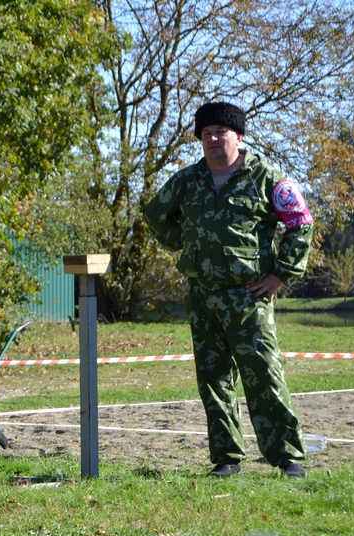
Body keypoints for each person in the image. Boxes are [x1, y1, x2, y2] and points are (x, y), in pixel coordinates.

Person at [143, 102, 314, 478]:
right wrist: (183, 242)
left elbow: (300, 223)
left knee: (265, 375)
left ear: (238, 135)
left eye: (221, 131)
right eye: (206, 134)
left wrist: (280, 275)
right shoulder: (188, 181)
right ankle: (227, 459)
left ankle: (288, 458)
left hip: (248, 296)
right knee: (213, 379)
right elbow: (155, 214)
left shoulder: (266, 178)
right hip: (203, 296)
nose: (213, 139)